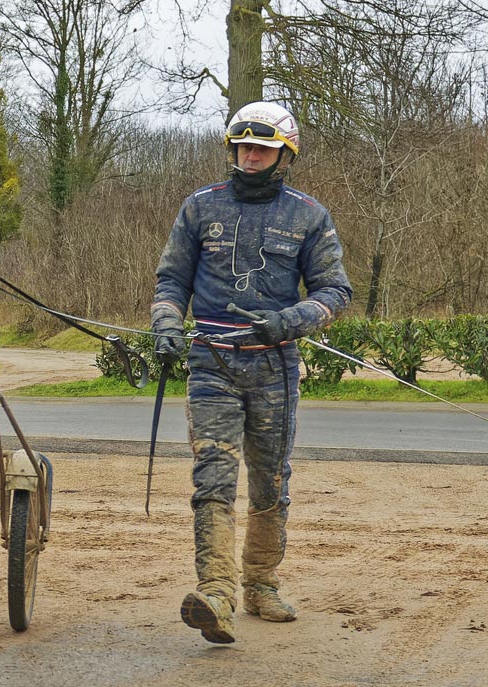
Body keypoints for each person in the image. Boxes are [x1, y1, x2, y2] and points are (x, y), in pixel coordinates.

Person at [150, 101, 353, 644]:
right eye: (242, 146)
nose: (250, 155)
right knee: (212, 478)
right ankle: (217, 594)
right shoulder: (198, 208)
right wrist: (166, 324)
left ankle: (261, 582)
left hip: (276, 365)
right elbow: (171, 281)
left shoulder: (309, 215)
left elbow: (336, 291)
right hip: (210, 362)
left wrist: (289, 320)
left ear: (284, 154)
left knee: (271, 480)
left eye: (262, 148)